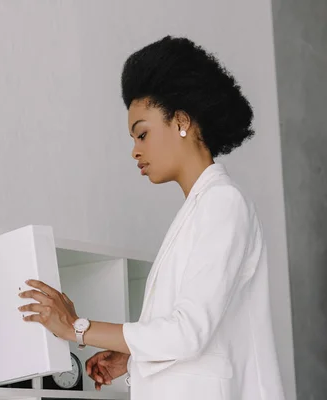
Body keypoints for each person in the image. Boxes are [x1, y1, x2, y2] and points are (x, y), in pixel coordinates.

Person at [18, 36, 286, 400]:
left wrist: (76, 328)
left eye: (142, 133)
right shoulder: (200, 209)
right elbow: (205, 333)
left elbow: (188, 332)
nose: (134, 150)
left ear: (181, 121)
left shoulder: (223, 203)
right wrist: (133, 358)